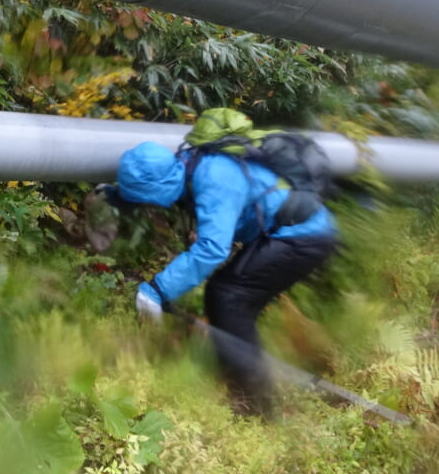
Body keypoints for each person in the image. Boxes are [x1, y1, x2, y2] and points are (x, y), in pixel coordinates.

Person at [111, 140, 337, 415]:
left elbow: (212, 249)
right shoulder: (189, 166)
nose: (150, 207)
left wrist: (158, 291)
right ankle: (242, 386)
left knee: (230, 297)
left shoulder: (214, 177)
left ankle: (257, 405)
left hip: (304, 235)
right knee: (226, 297)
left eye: (149, 199)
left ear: (159, 186)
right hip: (290, 231)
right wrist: (115, 195)